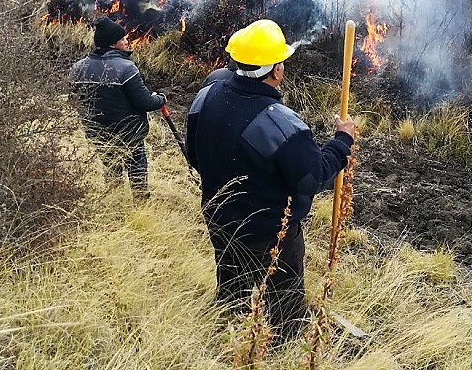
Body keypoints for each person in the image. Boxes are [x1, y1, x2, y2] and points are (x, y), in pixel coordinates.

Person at [186, 19, 356, 338]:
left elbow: (193, 155)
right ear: (276, 70)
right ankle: (282, 348)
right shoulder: (281, 124)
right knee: (285, 306)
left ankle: (230, 341)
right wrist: (341, 142)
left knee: (232, 291)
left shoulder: (204, 97)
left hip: (219, 220)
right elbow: (312, 178)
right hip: (270, 235)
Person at [70, 18, 167, 198]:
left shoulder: (77, 68)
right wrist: (161, 99)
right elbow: (145, 102)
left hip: (98, 134)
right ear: (113, 44)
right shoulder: (126, 69)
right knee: (137, 174)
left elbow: (74, 101)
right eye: (123, 39)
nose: (127, 41)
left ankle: (115, 206)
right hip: (129, 135)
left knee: (111, 172)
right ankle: (141, 211)